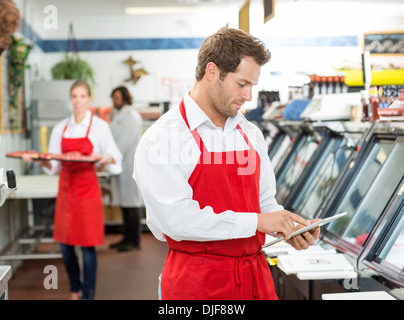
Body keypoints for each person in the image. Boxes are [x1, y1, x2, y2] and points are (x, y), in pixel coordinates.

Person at [133, 27, 320, 300]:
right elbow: (177, 220)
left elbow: (265, 203)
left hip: (255, 279)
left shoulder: (250, 134)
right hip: (198, 283)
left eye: (252, 87)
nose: (248, 97)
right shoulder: (164, 139)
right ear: (212, 72)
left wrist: (287, 227)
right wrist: (258, 222)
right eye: (242, 84)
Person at [24, 80, 122, 300]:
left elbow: (116, 157)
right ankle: (75, 288)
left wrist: (106, 158)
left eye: (82, 96)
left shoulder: (99, 126)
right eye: (74, 96)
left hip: (88, 191)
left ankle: (88, 295)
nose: (78, 101)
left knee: (87, 248)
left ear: (89, 98)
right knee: (66, 247)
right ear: (71, 99)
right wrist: (39, 160)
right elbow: (54, 165)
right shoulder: (61, 128)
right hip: (66, 191)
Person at [109, 86, 144, 251]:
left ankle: (134, 240)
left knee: (132, 203)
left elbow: (124, 142)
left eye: (117, 97)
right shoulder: (119, 115)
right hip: (120, 164)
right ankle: (126, 238)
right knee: (125, 203)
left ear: (125, 97)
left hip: (129, 164)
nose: (115, 101)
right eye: (113, 98)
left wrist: (111, 157)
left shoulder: (130, 115)